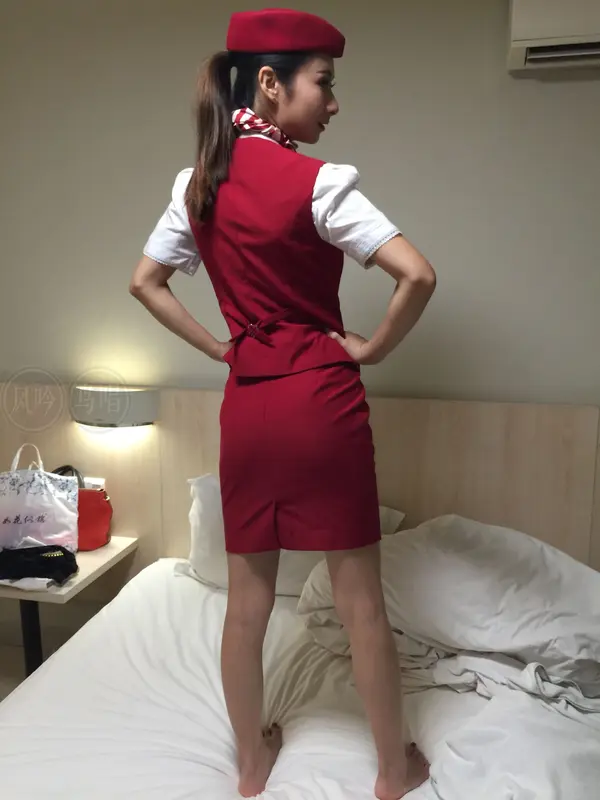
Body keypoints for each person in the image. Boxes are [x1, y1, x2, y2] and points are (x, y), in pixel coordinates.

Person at [130, 8, 436, 799]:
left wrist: (218, 346)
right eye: (323, 84)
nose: (333, 102)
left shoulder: (196, 183)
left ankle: (250, 764)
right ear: (269, 83)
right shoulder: (321, 184)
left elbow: (145, 282)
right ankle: (393, 770)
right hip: (322, 403)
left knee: (246, 605)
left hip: (249, 406)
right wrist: (370, 348)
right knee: (361, 604)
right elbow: (418, 274)